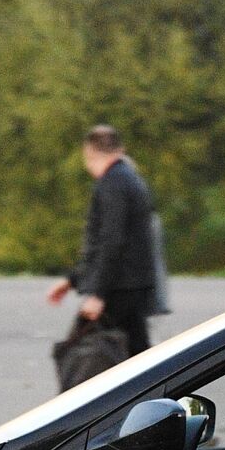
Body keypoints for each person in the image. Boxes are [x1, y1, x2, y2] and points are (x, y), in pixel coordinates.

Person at [47, 125, 160, 356]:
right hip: (131, 284)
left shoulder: (113, 184)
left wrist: (98, 295)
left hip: (119, 288)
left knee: (77, 350)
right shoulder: (128, 178)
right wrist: (72, 280)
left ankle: (83, 394)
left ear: (91, 153)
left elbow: (111, 241)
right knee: (139, 355)